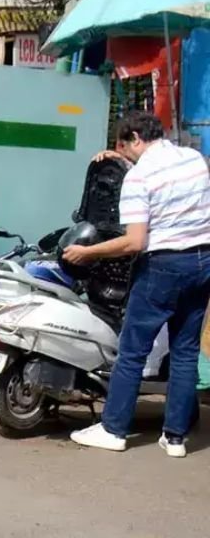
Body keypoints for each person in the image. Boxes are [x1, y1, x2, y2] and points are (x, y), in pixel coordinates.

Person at [65, 111, 210, 457]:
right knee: (185, 351)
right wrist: (121, 160)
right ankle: (174, 438)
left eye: (122, 145)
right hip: (203, 261)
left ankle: (114, 429)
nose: (122, 152)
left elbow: (134, 242)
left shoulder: (140, 177)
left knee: (132, 352)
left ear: (134, 139)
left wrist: (88, 252)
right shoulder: (193, 160)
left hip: (163, 267)